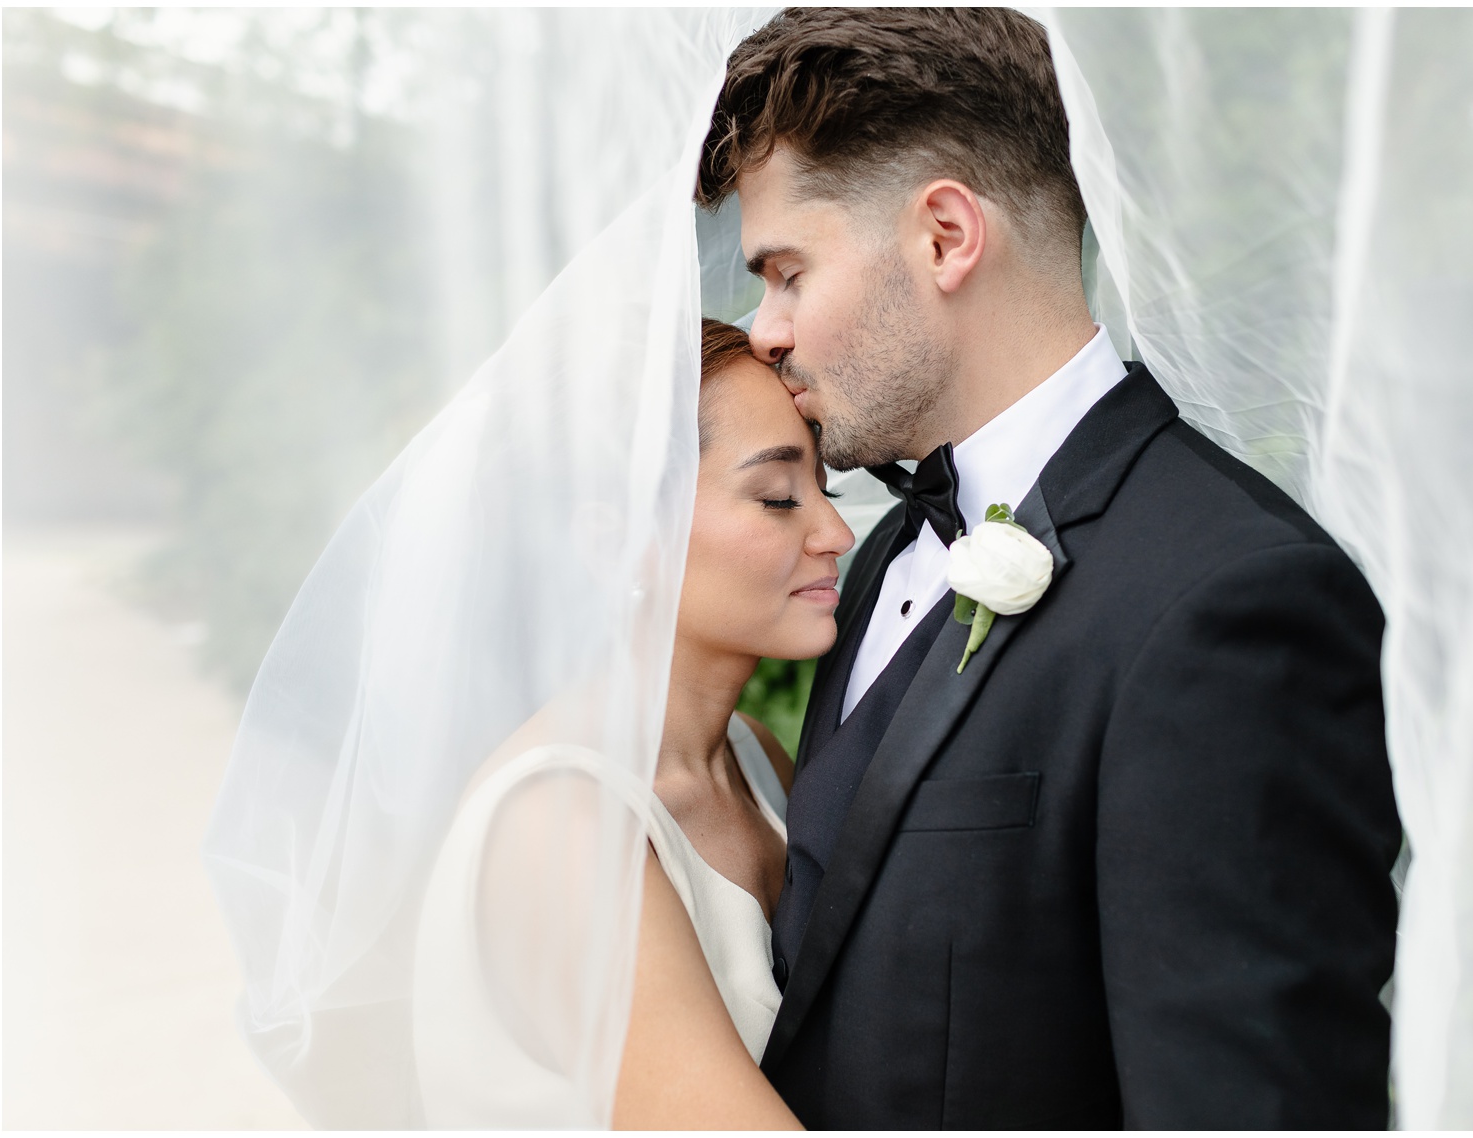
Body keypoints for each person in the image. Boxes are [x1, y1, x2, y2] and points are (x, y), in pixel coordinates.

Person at [696, 8, 1404, 1128]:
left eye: (786, 272)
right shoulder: (877, 557)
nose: (766, 330)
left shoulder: (1227, 603)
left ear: (943, 236)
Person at [409, 319, 847, 1128]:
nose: (835, 534)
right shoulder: (560, 825)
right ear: (620, 541)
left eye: (829, 489)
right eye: (779, 497)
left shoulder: (758, 759)